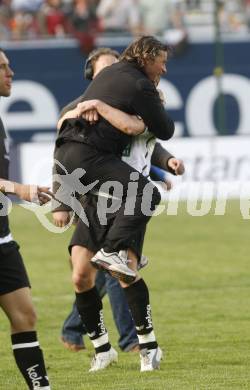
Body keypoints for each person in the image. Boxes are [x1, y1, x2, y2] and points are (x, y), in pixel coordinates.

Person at [52, 39, 181, 372]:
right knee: (81, 275)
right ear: (94, 75)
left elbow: (146, 138)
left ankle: (147, 346)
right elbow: (65, 132)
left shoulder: (138, 98)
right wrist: (61, 198)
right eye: (103, 70)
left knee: (125, 274)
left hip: (126, 196)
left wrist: (164, 164)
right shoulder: (87, 104)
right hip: (97, 194)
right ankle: (102, 348)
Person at [0, 47, 51, 390]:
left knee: (26, 316)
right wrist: (20, 188)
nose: (11, 72)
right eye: (3, 67)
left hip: (2, 240)